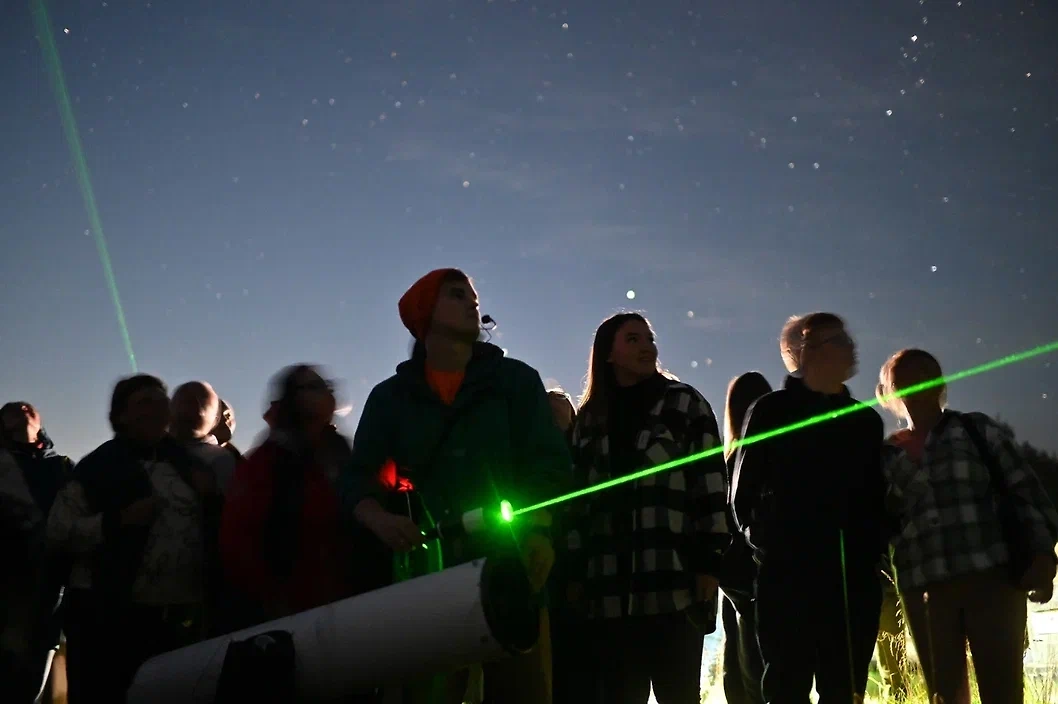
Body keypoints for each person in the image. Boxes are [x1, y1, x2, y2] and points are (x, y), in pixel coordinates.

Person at [342, 267, 571, 704]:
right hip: (428, 579)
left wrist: (540, 532)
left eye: (473, 295)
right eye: (456, 294)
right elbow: (358, 476)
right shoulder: (390, 398)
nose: (473, 302)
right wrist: (378, 518)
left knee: (521, 690)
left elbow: (549, 464)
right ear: (425, 313)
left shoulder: (516, 381)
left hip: (514, 562)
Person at [877, 348, 1058, 704]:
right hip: (924, 589)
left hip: (991, 579)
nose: (915, 384)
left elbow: (1025, 491)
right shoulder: (886, 454)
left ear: (939, 383)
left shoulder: (975, 430)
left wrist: (1042, 556)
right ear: (891, 392)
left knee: (1003, 688)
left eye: (924, 373)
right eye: (904, 378)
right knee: (944, 695)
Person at [566, 312, 730, 704]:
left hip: (672, 581)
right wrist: (574, 570)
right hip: (607, 588)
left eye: (650, 339)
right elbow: (575, 502)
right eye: (633, 339)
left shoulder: (683, 403)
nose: (647, 347)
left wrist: (709, 562)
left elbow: (709, 482)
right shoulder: (590, 419)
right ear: (608, 353)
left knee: (679, 692)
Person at [731, 312, 887, 704]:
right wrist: (771, 550)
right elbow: (742, 496)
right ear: (807, 350)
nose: (851, 347)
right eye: (839, 339)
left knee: (845, 687)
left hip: (853, 584)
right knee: (787, 685)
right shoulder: (771, 412)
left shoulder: (865, 422)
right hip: (788, 582)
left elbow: (876, 498)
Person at [46, 374, 219, 702]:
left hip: (178, 623)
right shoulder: (96, 469)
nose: (156, 410)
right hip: (109, 623)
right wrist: (116, 522)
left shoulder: (189, 466)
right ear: (121, 415)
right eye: (144, 402)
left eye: (160, 402)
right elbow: (58, 533)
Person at [220, 365, 353, 623]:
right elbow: (238, 541)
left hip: (344, 597)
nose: (326, 393)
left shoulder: (340, 452)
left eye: (327, 386)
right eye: (314, 387)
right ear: (293, 398)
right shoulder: (267, 463)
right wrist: (271, 600)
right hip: (289, 609)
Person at [0, 402, 74, 703]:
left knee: (30, 686)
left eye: (28, 407)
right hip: (8, 592)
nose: (21, 407)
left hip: (49, 594)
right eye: (10, 409)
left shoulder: (63, 467)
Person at [719, 373, 771, 704]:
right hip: (762, 576)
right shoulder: (777, 455)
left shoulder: (729, 462)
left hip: (737, 583)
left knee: (741, 667)